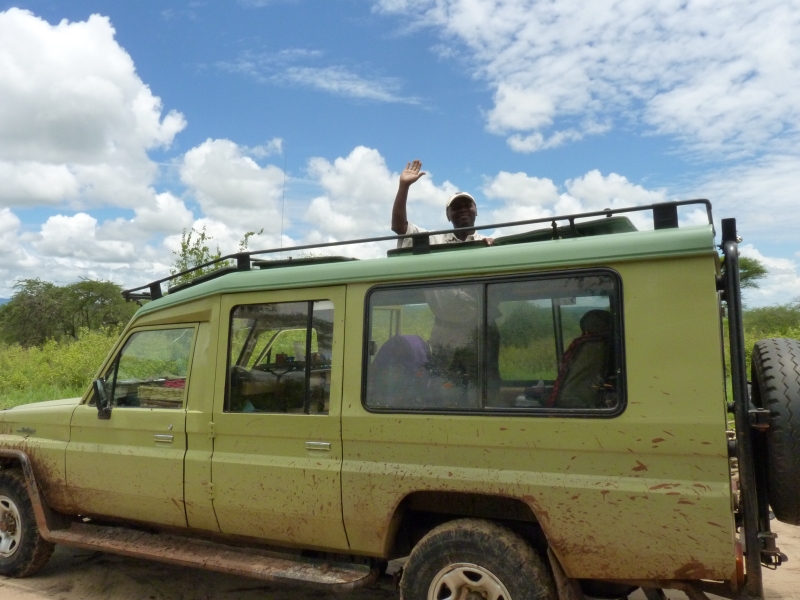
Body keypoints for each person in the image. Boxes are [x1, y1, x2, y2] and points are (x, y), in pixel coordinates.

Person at [391, 159, 493, 248]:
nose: (462, 209)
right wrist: (404, 185)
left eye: (467, 205)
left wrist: (493, 246)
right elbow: (399, 227)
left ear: (476, 211)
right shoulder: (434, 239)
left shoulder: (487, 243)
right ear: (448, 216)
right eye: (456, 207)